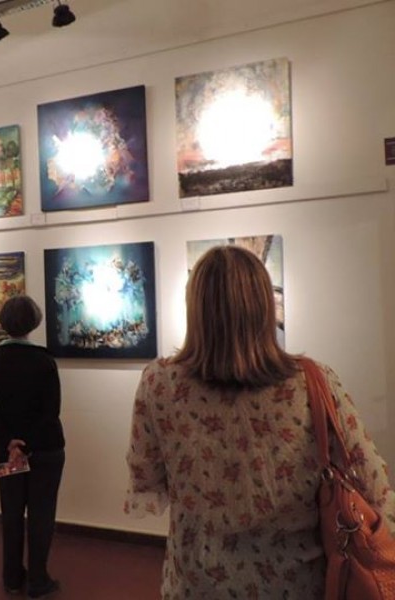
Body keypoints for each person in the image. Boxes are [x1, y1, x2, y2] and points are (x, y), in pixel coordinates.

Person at [124, 245, 395, 599]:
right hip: (295, 584)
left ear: (195, 308)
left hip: (197, 582)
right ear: (264, 307)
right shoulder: (312, 382)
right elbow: (373, 486)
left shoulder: (159, 383)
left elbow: (146, 477)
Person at [0, 295, 65, 598]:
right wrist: (27, 445)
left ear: (4, 322)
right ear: (34, 322)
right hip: (46, 451)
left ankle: (12, 577)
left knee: (11, 511)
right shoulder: (44, 362)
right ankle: (38, 580)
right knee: (42, 513)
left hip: (6, 452)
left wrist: (10, 442)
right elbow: (51, 411)